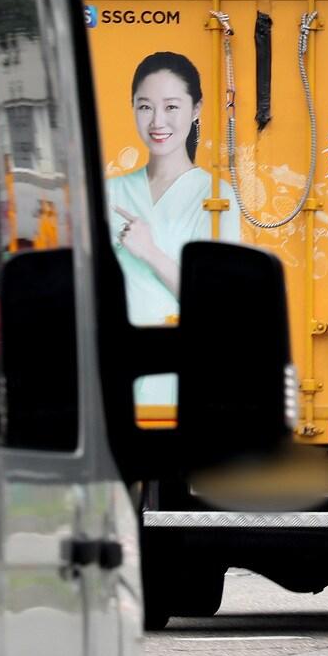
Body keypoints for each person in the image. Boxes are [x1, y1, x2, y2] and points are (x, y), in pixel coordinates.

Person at [107, 51, 240, 405]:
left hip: (185, 380)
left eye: (171, 107)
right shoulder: (110, 191)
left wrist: (148, 252)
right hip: (116, 378)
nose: (157, 121)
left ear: (196, 109)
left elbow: (216, 307)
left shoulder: (217, 195)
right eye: (145, 106)